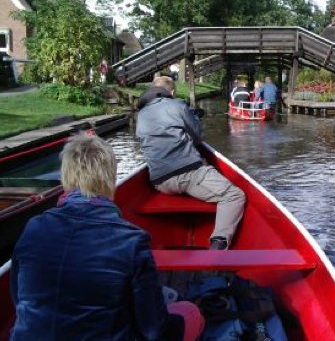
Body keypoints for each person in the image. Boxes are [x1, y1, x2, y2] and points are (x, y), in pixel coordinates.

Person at [9, 134, 205, 341]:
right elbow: (153, 330)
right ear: (111, 178)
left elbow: (19, 300)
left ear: (65, 176)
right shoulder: (131, 240)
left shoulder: (33, 228)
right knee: (189, 312)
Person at [137, 76, 246, 250]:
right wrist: (195, 119)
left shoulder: (141, 114)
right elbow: (197, 137)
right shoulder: (177, 105)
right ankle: (219, 242)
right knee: (234, 195)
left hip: (159, 182)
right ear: (171, 92)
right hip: (188, 175)